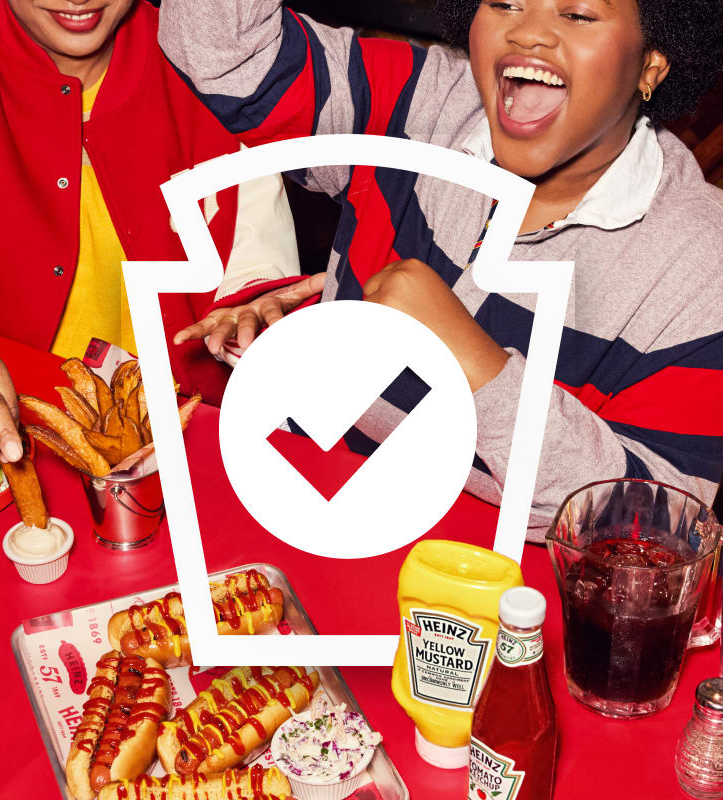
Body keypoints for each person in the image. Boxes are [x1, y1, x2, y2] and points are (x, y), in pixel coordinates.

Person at [159, 0, 723, 538]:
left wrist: (474, 365)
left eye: (576, 15)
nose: (528, 32)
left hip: (482, 605)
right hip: (293, 504)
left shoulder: (699, 263)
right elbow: (220, 54)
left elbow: (657, 534)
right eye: (503, 4)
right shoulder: (421, 100)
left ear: (653, 64)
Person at [0, 0, 300, 463]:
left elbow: (258, 258)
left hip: (196, 444)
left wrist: (249, 310)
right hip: (2, 443)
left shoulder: (212, 53)